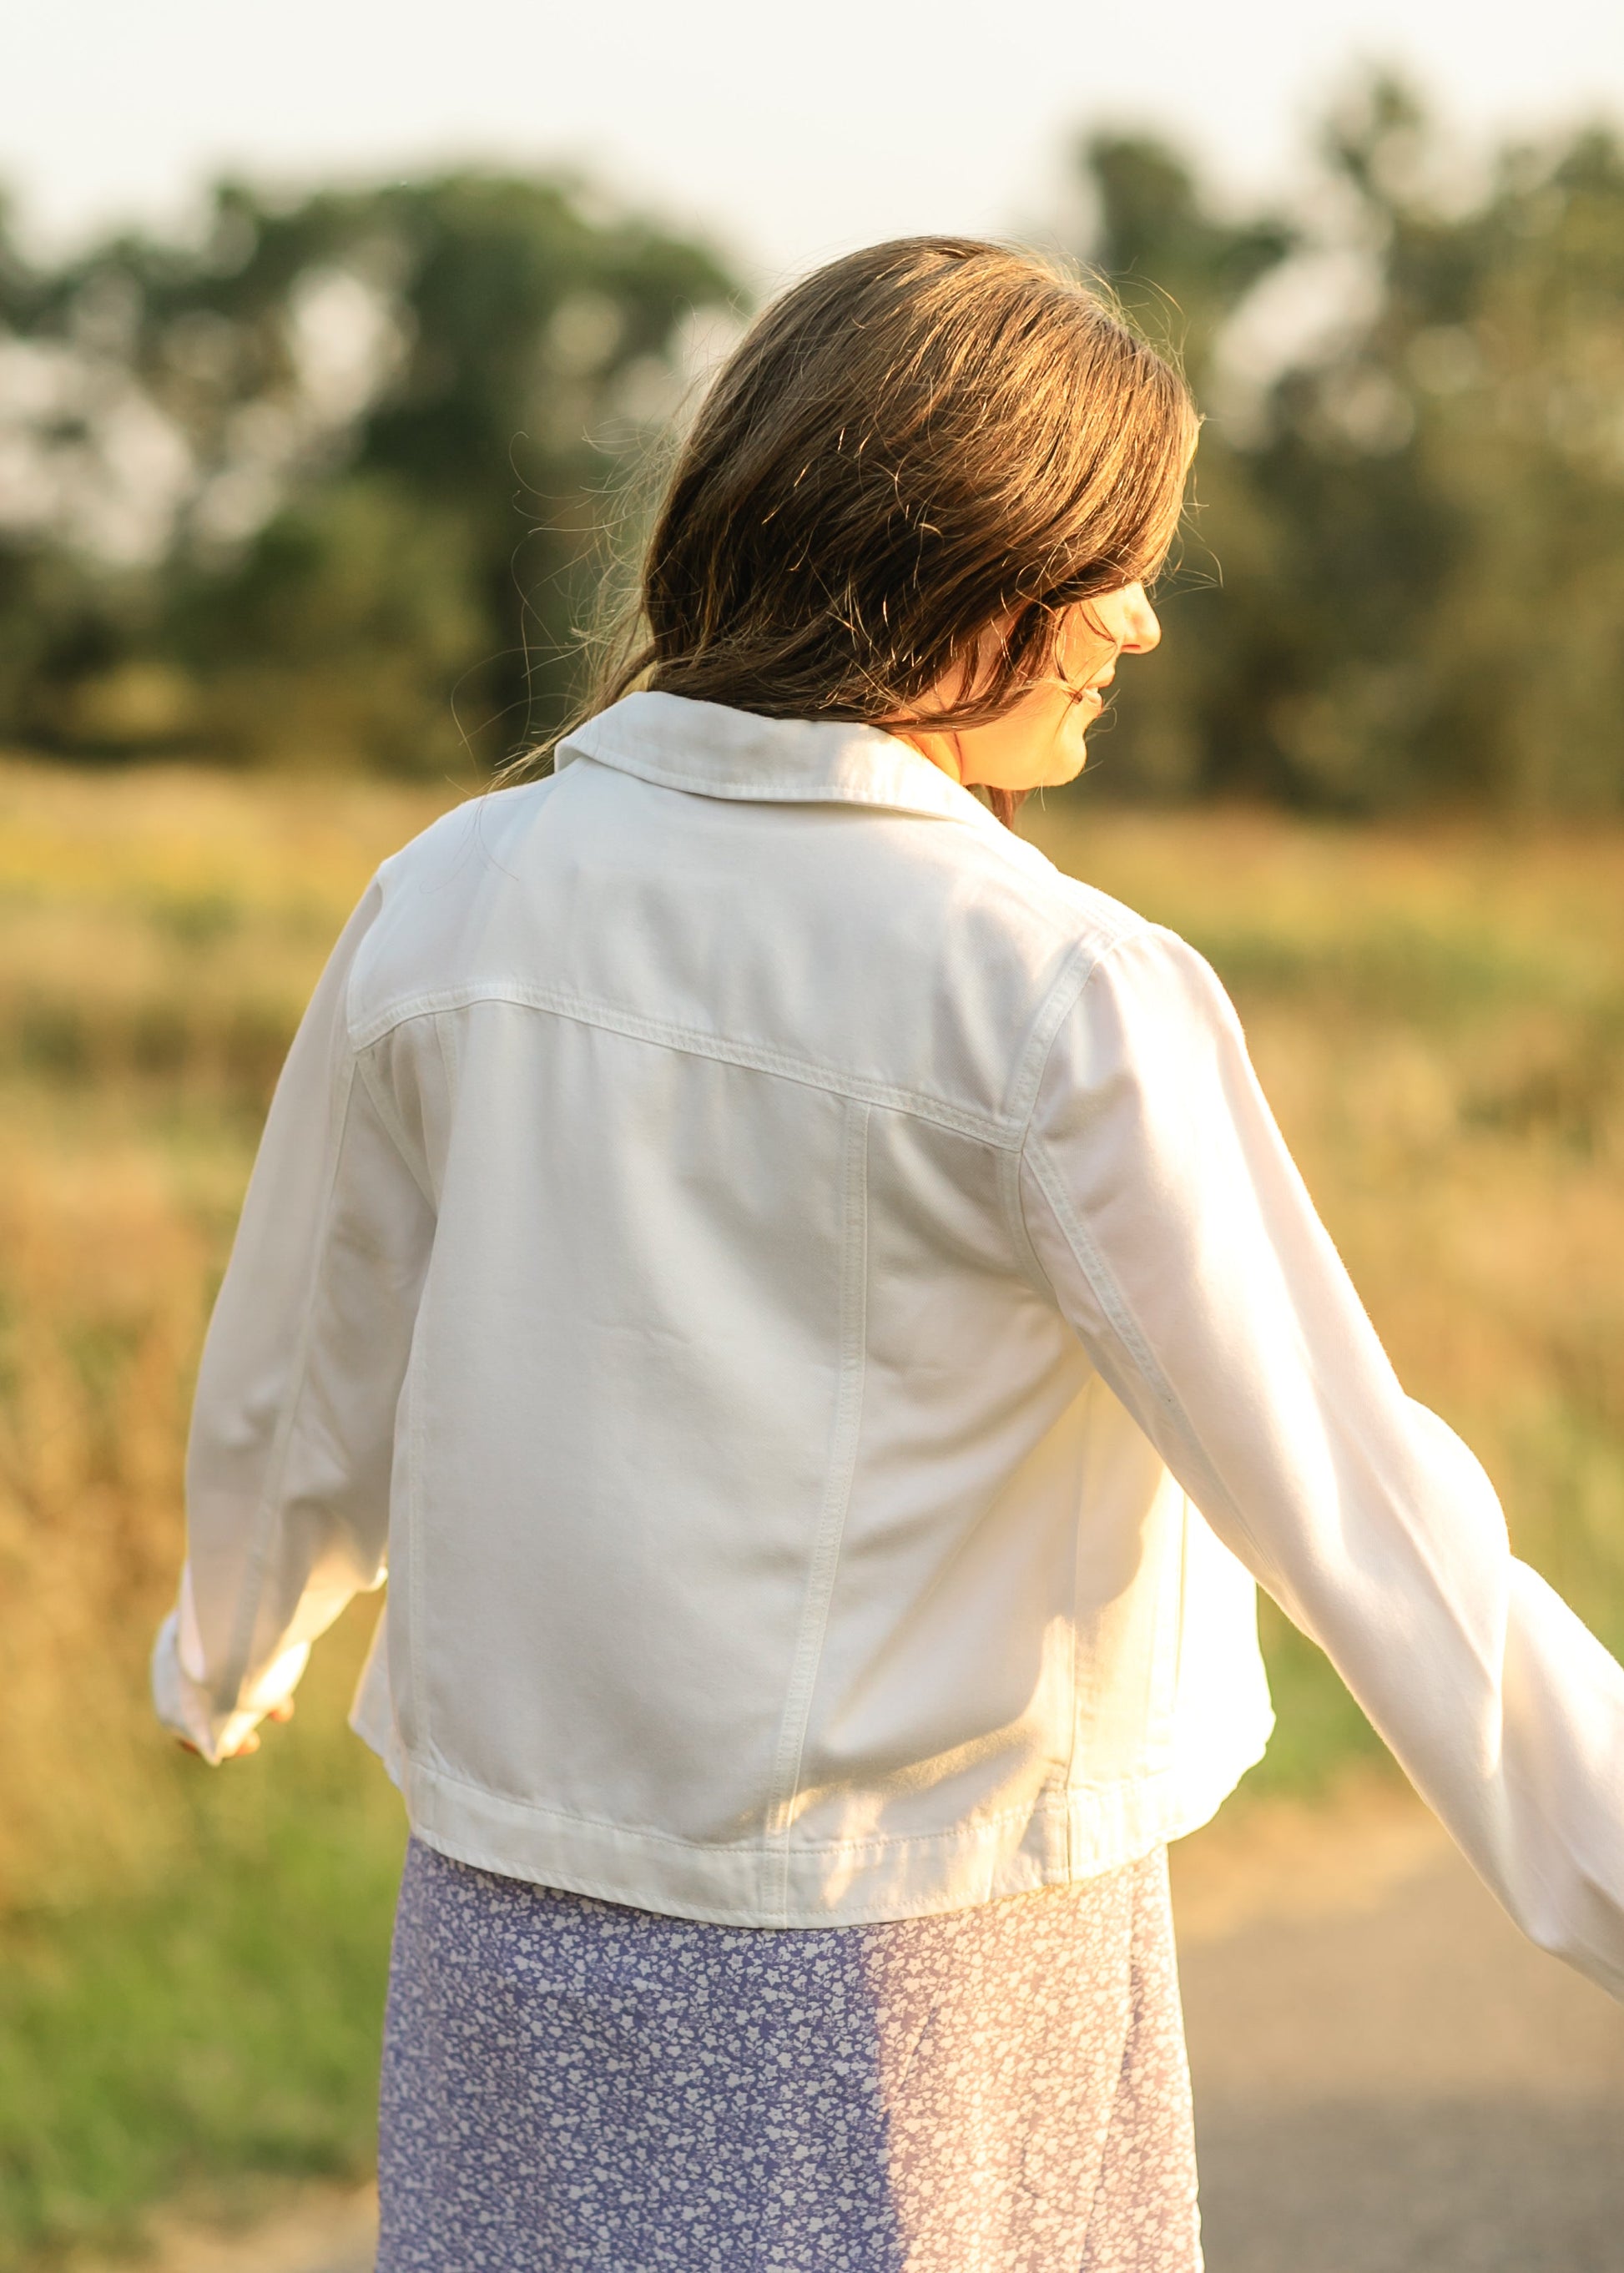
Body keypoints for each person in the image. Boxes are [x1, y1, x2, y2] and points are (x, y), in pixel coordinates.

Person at [152, 237, 1624, 2271]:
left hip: (505, 1931)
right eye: (1095, 562)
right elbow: (1355, 1506)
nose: (1135, 623)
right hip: (918, 1966)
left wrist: (232, 1636)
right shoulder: (1049, 994)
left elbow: (308, 1367)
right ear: (950, 569)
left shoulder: (450, 896)